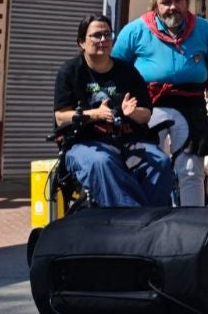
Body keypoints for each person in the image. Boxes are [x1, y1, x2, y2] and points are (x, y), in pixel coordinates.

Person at [113, 0, 208, 207]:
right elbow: (116, 68)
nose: (173, 6)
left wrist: (192, 79)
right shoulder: (135, 30)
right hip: (149, 105)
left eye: (178, 1)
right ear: (155, 5)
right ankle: (150, 219)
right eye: (166, 2)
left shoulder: (205, 30)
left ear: (187, 3)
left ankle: (192, 223)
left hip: (191, 105)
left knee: (191, 170)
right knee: (150, 165)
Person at [53, 14, 173, 207]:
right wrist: (94, 114)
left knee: (160, 162)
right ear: (81, 42)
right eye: (97, 35)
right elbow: (61, 117)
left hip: (127, 140)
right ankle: (134, 220)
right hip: (84, 143)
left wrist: (131, 113)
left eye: (108, 35)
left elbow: (146, 114)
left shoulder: (128, 72)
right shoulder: (70, 72)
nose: (103, 40)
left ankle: (152, 219)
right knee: (103, 162)